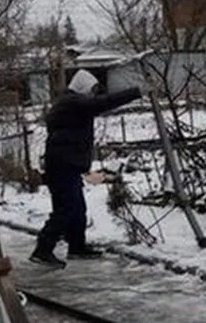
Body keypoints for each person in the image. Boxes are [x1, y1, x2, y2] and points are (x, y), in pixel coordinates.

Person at [30, 69, 143, 268]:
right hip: (63, 165)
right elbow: (102, 103)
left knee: (76, 208)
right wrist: (135, 92)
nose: (93, 94)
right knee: (66, 208)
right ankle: (43, 250)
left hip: (65, 165)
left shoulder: (70, 104)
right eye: (91, 89)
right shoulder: (73, 102)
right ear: (83, 88)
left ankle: (77, 247)